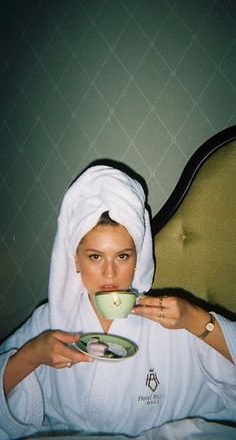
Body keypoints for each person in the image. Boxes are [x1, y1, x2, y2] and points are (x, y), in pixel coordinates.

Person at [0, 164, 235, 440]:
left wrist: (197, 320)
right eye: (95, 257)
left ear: (139, 258)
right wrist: (31, 356)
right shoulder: (49, 321)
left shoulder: (170, 320)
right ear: (75, 259)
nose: (109, 273)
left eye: (123, 256)